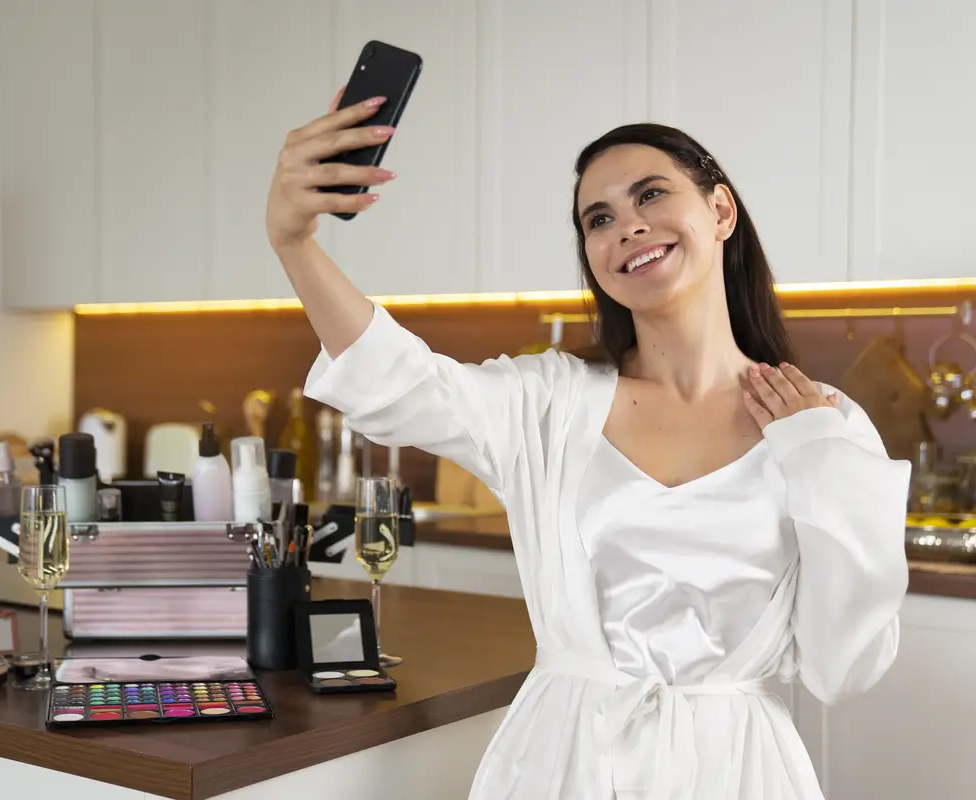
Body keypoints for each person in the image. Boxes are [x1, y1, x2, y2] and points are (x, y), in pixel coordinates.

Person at [265, 89, 911, 800]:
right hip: (564, 762)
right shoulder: (550, 404)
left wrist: (820, 457)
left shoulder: (821, 426)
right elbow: (403, 384)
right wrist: (294, 242)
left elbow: (843, 667)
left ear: (720, 211)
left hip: (740, 772)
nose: (627, 228)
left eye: (651, 196)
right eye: (599, 219)